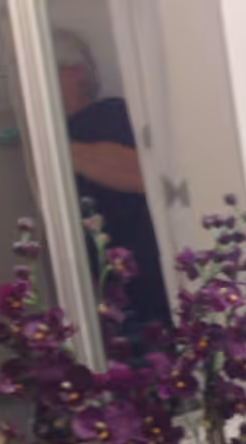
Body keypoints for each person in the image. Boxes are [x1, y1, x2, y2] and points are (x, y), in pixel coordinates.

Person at [53, 29, 170, 333]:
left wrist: (58, 151)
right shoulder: (57, 135)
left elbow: (145, 176)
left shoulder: (110, 114)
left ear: (75, 72)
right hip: (112, 298)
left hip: (151, 282)